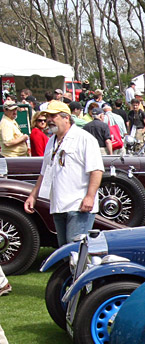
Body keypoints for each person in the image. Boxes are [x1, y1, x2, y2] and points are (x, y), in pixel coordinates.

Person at [24, 101, 103, 245]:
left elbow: (96, 170)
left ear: (66, 117)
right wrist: (33, 196)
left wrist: (90, 197)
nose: (49, 120)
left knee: (75, 252)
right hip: (58, 204)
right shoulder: (51, 142)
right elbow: (45, 172)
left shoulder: (84, 139)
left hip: (78, 204)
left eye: (53, 116)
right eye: (47, 116)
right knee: (64, 250)